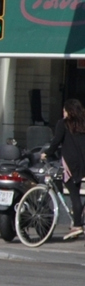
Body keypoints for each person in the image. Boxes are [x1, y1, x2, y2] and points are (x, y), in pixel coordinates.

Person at [41, 99, 85, 240]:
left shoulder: (63, 124)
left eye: (65, 110)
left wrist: (46, 153)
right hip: (82, 162)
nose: (63, 113)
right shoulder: (82, 124)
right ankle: (77, 217)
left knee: (74, 194)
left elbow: (56, 142)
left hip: (71, 163)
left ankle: (77, 225)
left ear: (69, 111)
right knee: (76, 191)